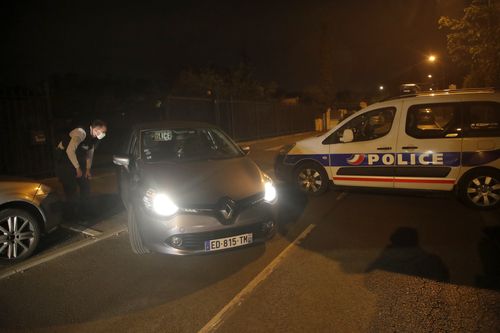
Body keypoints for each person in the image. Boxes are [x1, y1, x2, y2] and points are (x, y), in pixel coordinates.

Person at [55, 119, 107, 221]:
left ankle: (85, 211)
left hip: (76, 161)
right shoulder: (81, 133)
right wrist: (77, 168)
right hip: (64, 162)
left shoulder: (94, 139)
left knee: (85, 186)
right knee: (71, 190)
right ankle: (71, 216)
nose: (103, 134)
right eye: (102, 131)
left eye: (104, 132)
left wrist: (87, 169)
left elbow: (89, 155)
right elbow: (70, 150)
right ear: (94, 128)